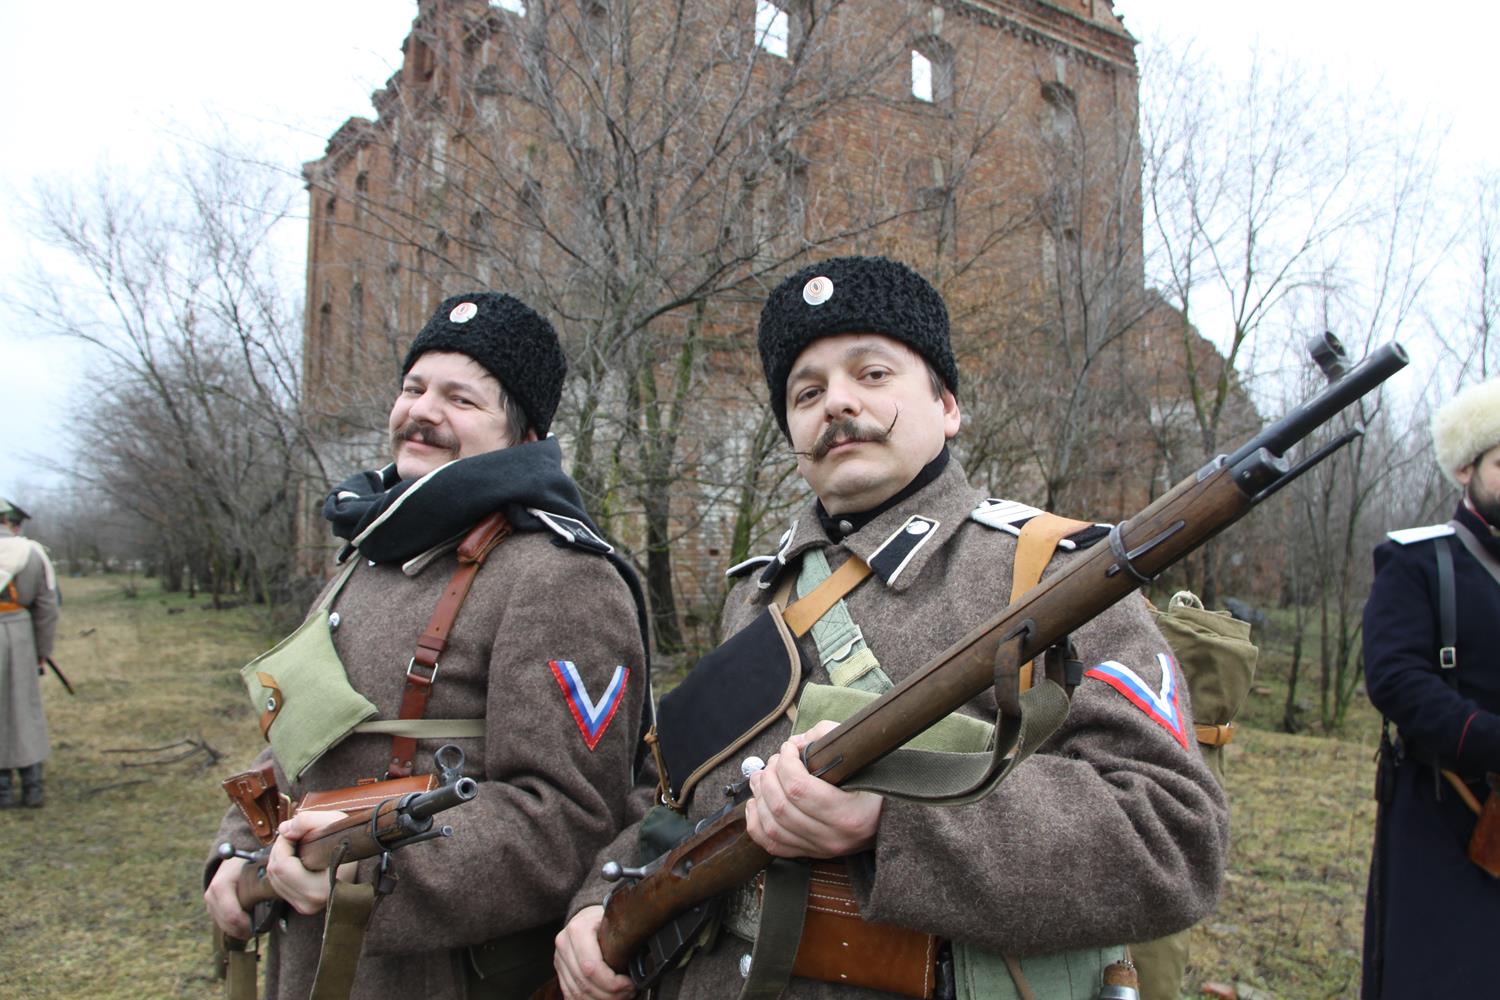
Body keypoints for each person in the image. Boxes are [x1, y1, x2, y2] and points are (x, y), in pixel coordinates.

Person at [555, 256, 1229, 1000]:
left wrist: (893, 820)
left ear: (948, 407)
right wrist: (599, 903)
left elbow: (1174, 839)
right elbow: (675, 798)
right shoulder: (756, 592)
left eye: (872, 374)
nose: (837, 403)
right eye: (807, 392)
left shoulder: (1055, 573)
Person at [203, 292, 650, 999]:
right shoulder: (369, 551)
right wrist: (240, 845)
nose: (422, 412)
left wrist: (368, 871)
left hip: (435, 973)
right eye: (414, 388)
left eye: (460, 399)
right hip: (311, 955)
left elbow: (567, 820)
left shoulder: (559, 576)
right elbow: (303, 736)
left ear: (523, 435)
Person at [1362, 377, 1500, 999]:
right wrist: (1488, 739)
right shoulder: (1417, 561)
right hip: (1445, 809)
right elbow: (1395, 679)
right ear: (1467, 467)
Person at [0, 498, 59, 809]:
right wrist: (42, 650)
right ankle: (32, 785)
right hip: (21, 636)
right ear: (6, 519)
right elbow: (47, 607)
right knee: (24, 708)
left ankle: (2, 790)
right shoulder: (32, 552)